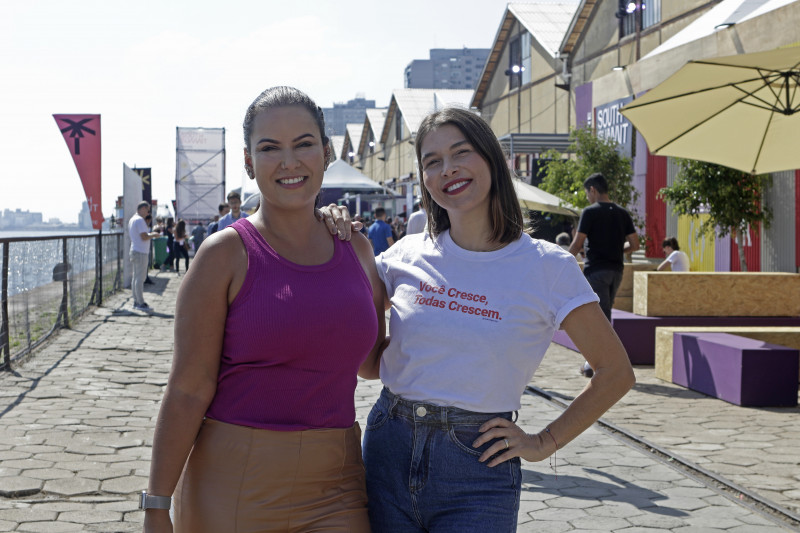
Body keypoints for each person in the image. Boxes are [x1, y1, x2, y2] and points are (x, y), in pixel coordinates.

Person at [323, 107, 635, 532]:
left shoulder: (548, 266)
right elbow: (370, 364)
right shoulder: (403, 256)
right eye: (432, 161)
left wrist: (543, 443)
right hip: (388, 449)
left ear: (491, 159)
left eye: (460, 152)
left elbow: (615, 373)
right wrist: (336, 231)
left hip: (478, 466)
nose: (447, 169)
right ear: (424, 179)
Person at [143, 86, 385, 533]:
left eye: (304, 144)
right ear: (249, 162)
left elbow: (372, 364)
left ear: (326, 153)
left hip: (338, 485)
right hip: (233, 483)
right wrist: (157, 504)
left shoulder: (358, 250)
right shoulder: (224, 254)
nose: (289, 161)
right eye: (270, 148)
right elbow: (188, 389)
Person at [568, 173, 639, 378]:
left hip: (596, 270)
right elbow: (635, 245)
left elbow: (577, 244)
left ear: (593, 190)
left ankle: (600, 365)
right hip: (616, 270)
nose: (588, 197)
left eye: (587, 193)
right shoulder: (622, 213)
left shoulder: (590, 212)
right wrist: (617, 251)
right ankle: (602, 362)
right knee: (605, 313)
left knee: (599, 318)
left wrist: (560, 259)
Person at [128, 201, 159, 311]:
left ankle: (136, 301)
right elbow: (144, 237)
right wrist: (154, 235)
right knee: (140, 279)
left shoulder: (133, 219)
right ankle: (140, 303)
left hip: (135, 250)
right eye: (147, 209)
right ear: (142, 209)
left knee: (136, 278)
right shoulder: (140, 220)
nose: (148, 212)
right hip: (141, 252)